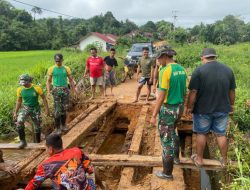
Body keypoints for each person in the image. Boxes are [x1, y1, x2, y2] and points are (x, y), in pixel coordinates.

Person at [186, 48, 236, 167]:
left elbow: (193, 92)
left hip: (203, 110)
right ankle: (224, 160)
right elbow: (232, 91)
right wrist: (231, 105)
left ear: (203, 57)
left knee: (201, 133)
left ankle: (199, 159)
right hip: (222, 109)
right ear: (215, 57)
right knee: (220, 134)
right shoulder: (228, 70)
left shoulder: (199, 71)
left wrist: (189, 107)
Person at [150, 48, 187, 180]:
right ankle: (176, 158)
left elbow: (161, 96)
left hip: (168, 110)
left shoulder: (165, 71)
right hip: (179, 108)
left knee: (166, 141)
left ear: (165, 56)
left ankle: (167, 173)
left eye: (159, 58)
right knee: (173, 132)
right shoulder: (182, 69)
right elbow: (184, 92)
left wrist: (154, 115)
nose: (158, 61)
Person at [25, 133, 95, 190]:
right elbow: (90, 169)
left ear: (50, 149)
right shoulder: (76, 151)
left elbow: (34, 183)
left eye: (45, 148)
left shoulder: (46, 165)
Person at [14, 74, 49, 148]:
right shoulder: (20, 89)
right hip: (25, 108)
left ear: (29, 81)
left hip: (35, 108)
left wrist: (47, 110)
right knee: (19, 122)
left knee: (37, 125)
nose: (24, 85)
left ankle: (37, 142)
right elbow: (19, 101)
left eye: (25, 83)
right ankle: (23, 142)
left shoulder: (36, 88)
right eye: (22, 83)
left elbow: (44, 98)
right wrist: (15, 112)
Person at [47, 53, 77, 135]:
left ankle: (63, 125)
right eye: (56, 61)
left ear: (62, 60)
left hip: (65, 89)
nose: (58, 62)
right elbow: (49, 81)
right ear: (54, 60)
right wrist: (49, 91)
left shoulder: (66, 68)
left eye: (59, 61)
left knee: (65, 108)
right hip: (56, 89)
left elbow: (71, 80)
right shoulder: (51, 69)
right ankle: (57, 128)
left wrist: (74, 90)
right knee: (57, 110)